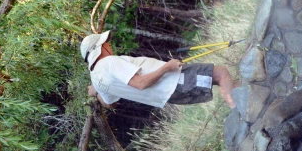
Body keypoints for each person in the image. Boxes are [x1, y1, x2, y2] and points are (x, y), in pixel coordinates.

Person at [82, 31, 236, 109]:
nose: (109, 45)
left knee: (224, 80)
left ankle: (245, 102)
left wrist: (95, 91)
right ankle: (240, 111)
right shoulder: (108, 63)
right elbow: (140, 83)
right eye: (105, 44)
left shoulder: (96, 78)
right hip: (174, 81)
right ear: (98, 49)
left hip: (168, 96)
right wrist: (166, 67)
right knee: (220, 74)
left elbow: (109, 103)